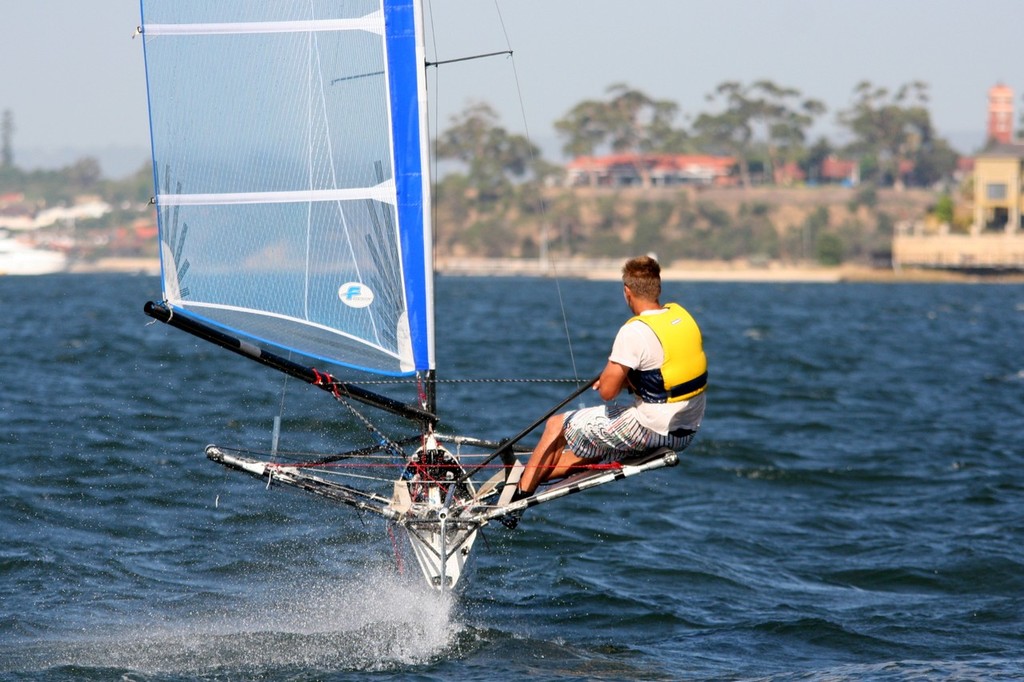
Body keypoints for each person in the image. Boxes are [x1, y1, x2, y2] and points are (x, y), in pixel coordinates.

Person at [502, 255, 707, 528]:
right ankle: (531, 476)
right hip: (685, 433)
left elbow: (607, 393)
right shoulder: (681, 318)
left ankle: (515, 502)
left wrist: (616, 378)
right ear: (658, 287)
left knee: (556, 426)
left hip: (648, 429)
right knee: (593, 450)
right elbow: (663, 373)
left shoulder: (634, 332)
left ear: (627, 291)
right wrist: (629, 378)